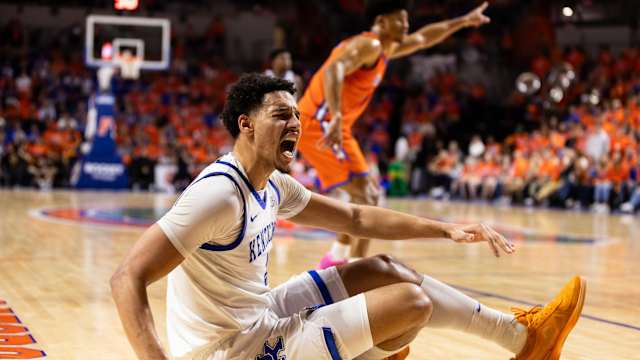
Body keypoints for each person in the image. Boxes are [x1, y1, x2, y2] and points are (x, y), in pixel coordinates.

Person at [111, 74, 586, 360]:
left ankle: (525, 339)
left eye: (297, 115)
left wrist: (446, 230)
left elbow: (356, 218)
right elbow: (127, 277)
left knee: (387, 271)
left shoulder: (272, 184)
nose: (295, 124)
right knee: (410, 305)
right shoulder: (219, 195)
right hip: (233, 350)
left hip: (257, 314)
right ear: (246, 125)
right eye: (281, 115)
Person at [297, 0, 493, 268]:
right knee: (366, 197)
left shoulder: (385, 50)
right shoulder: (370, 44)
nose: (406, 25)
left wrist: (463, 21)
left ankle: (336, 259)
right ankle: (353, 269)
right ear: (381, 21)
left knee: (368, 195)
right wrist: (337, 113)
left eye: (406, 19)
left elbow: (424, 37)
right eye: (400, 20)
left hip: (334, 125)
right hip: (318, 123)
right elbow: (334, 69)